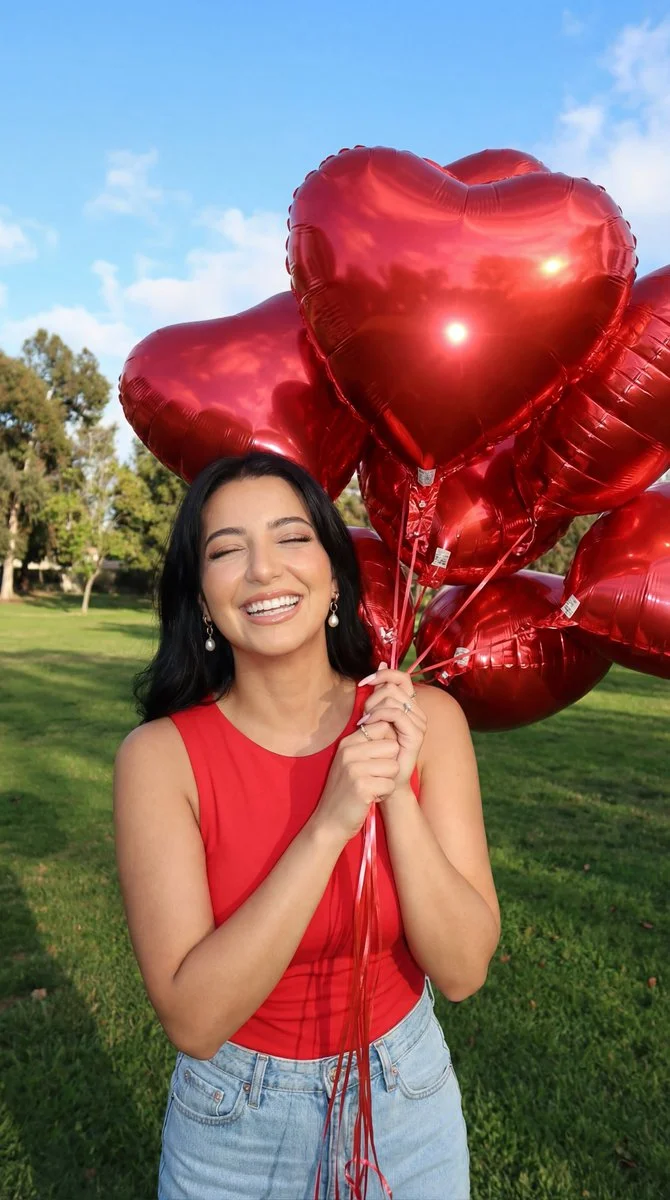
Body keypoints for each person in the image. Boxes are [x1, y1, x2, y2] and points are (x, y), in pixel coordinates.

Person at [113, 450, 500, 1200]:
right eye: (227, 550)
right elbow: (194, 1021)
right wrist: (329, 823)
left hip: (407, 1099)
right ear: (200, 597)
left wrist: (395, 796)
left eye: (292, 538)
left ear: (332, 572)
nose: (264, 570)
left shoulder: (429, 721)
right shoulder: (160, 760)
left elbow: (462, 971)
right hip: (234, 1125)